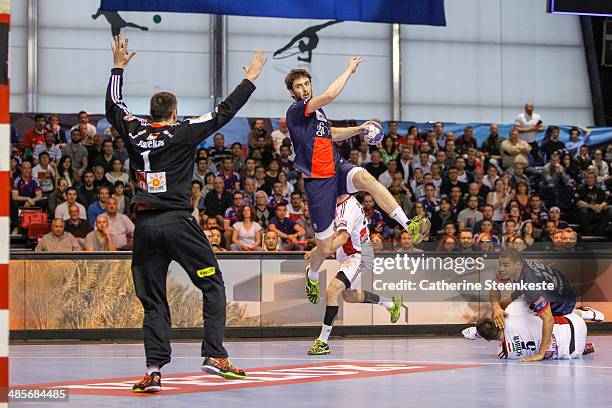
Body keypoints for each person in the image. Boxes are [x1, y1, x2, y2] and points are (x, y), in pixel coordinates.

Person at [105, 35, 265, 389]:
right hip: (178, 224)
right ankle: (214, 355)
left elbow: (113, 107)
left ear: (151, 113)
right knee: (212, 284)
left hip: (145, 228)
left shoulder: (135, 130)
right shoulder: (182, 131)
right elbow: (224, 112)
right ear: (174, 113)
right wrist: (250, 78)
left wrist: (118, 67)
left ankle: (155, 371)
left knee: (153, 300)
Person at [284, 59, 426, 304]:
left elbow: (331, 134)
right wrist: (349, 70)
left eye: (307, 84)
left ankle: (408, 224)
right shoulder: (297, 111)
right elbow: (329, 95)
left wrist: (360, 128)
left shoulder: (316, 112)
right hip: (319, 182)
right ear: (292, 92)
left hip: (336, 167)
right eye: (299, 86)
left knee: (365, 178)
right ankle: (313, 273)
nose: (305, 89)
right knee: (326, 249)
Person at [305, 195, 402, 355]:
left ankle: (322, 341)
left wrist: (320, 250)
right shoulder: (336, 203)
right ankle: (390, 303)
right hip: (349, 253)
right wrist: (319, 248)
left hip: (360, 255)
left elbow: (343, 238)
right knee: (350, 297)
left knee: (333, 290)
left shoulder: (347, 207)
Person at [487, 248, 603, 362]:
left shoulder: (531, 284)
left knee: (540, 319)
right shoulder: (515, 265)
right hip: (545, 284)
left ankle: (585, 313)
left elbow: (548, 320)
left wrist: (541, 353)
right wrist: (497, 308)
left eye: (505, 265)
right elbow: (494, 287)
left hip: (562, 298)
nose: (501, 269)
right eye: (500, 264)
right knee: (503, 305)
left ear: (517, 265)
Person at [474, 299, 595, 360]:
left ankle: (584, 347)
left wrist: (479, 333)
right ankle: (588, 314)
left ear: (488, 339)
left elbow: (502, 341)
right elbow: (524, 297)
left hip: (573, 352)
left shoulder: (504, 354)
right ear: (495, 320)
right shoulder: (511, 313)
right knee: (543, 312)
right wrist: (499, 307)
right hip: (576, 324)